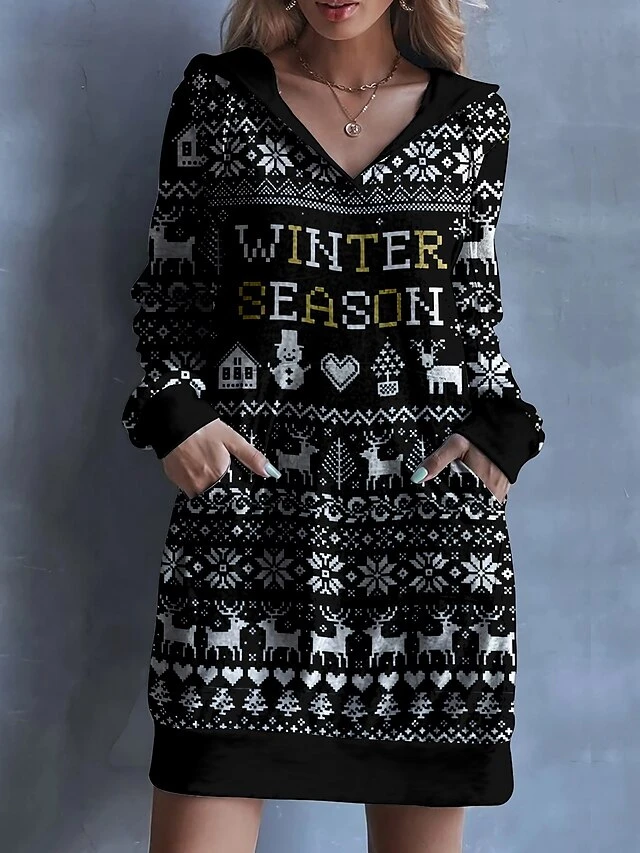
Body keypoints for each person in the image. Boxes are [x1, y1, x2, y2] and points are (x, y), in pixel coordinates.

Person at [121, 1, 546, 851]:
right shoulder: (217, 101)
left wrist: (504, 432)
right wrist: (174, 416)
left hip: (425, 552)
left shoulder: (473, 120)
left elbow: (472, 320)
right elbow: (171, 293)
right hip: (245, 545)